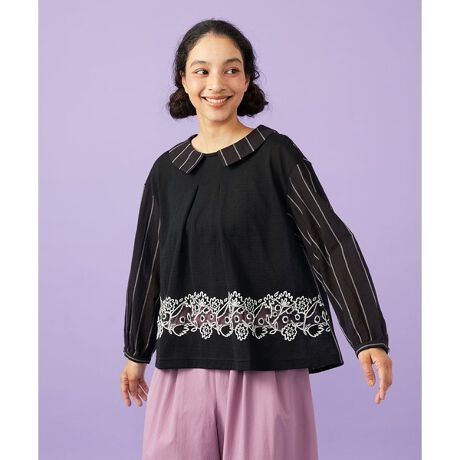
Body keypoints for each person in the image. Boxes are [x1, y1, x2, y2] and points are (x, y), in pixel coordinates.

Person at [119, 18, 393, 460]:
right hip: (182, 362)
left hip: (265, 359)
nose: (216, 84)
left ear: (247, 80)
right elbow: (148, 263)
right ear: (184, 80)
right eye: (202, 70)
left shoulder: (276, 156)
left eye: (231, 69)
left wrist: (368, 336)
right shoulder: (166, 172)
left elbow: (330, 242)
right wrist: (136, 352)